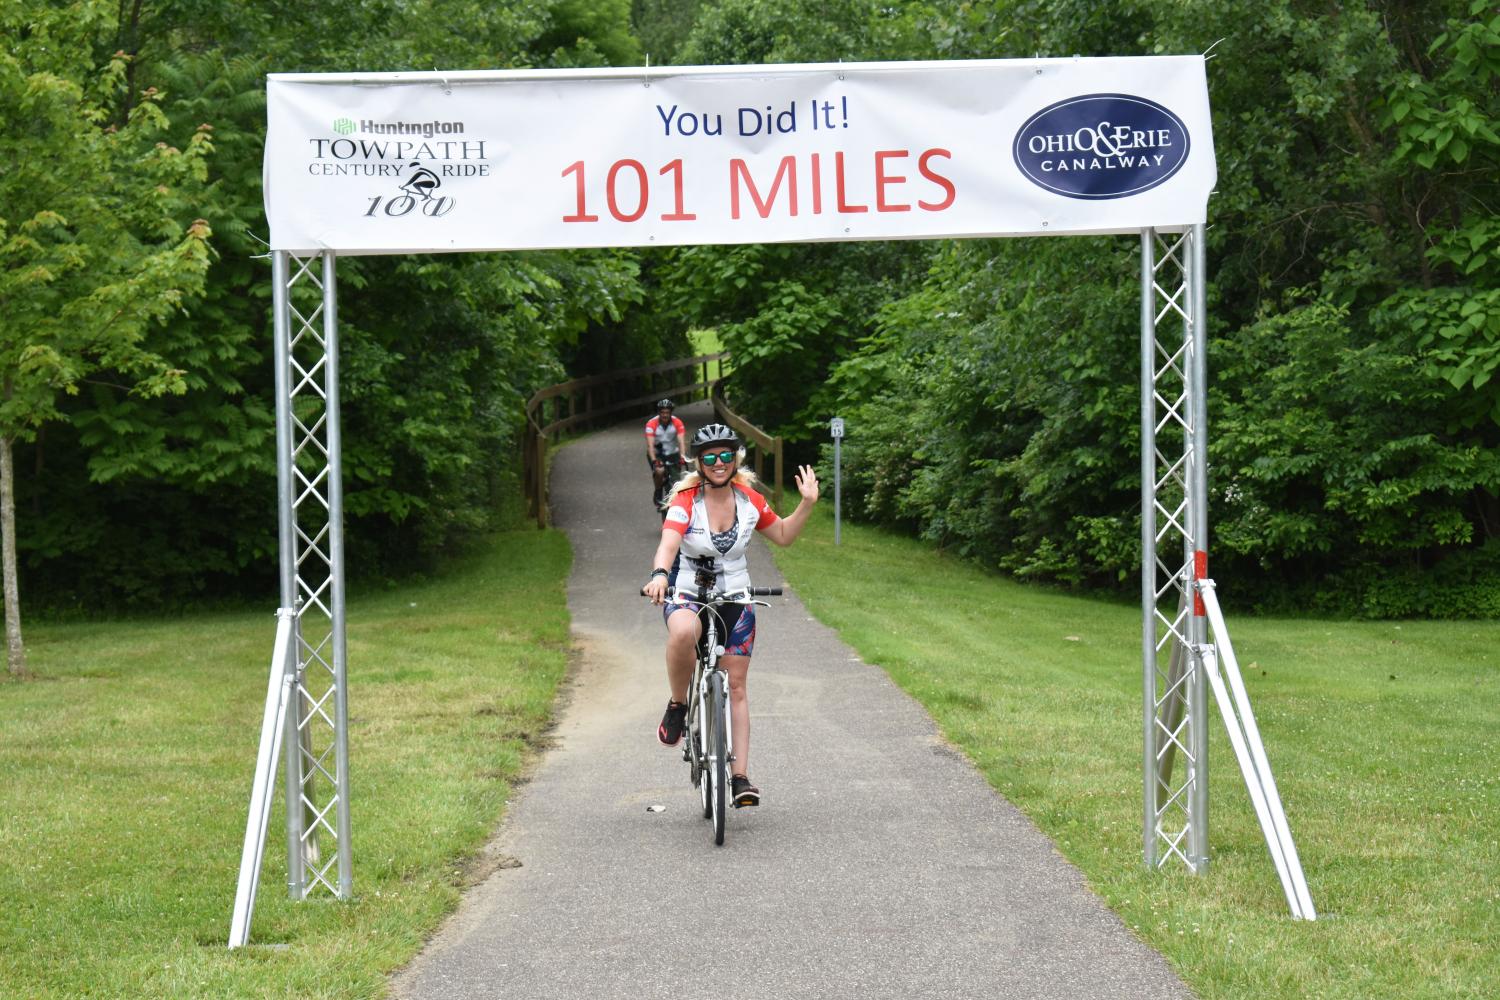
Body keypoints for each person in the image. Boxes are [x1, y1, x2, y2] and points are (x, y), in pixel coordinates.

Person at [642, 423, 820, 808]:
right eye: (710, 456)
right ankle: (677, 705)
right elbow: (668, 544)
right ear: (699, 462)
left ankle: (739, 777)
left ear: (736, 458)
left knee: (736, 686)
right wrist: (659, 576)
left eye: (726, 455)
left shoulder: (750, 500)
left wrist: (806, 503)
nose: (719, 463)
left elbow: (785, 536)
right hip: (688, 590)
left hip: (736, 595)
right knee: (683, 632)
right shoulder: (686, 500)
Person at [644, 398, 687, 512]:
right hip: (657, 454)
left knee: (677, 482)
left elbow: (681, 442)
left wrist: (682, 457)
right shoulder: (651, 424)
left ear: (671, 413)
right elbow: (650, 446)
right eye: (662, 412)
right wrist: (654, 461)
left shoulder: (677, 422)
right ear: (659, 413)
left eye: (667, 413)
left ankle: (676, 505)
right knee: (659, 471)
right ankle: (658, 492)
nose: (665, 415)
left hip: (673, 453)